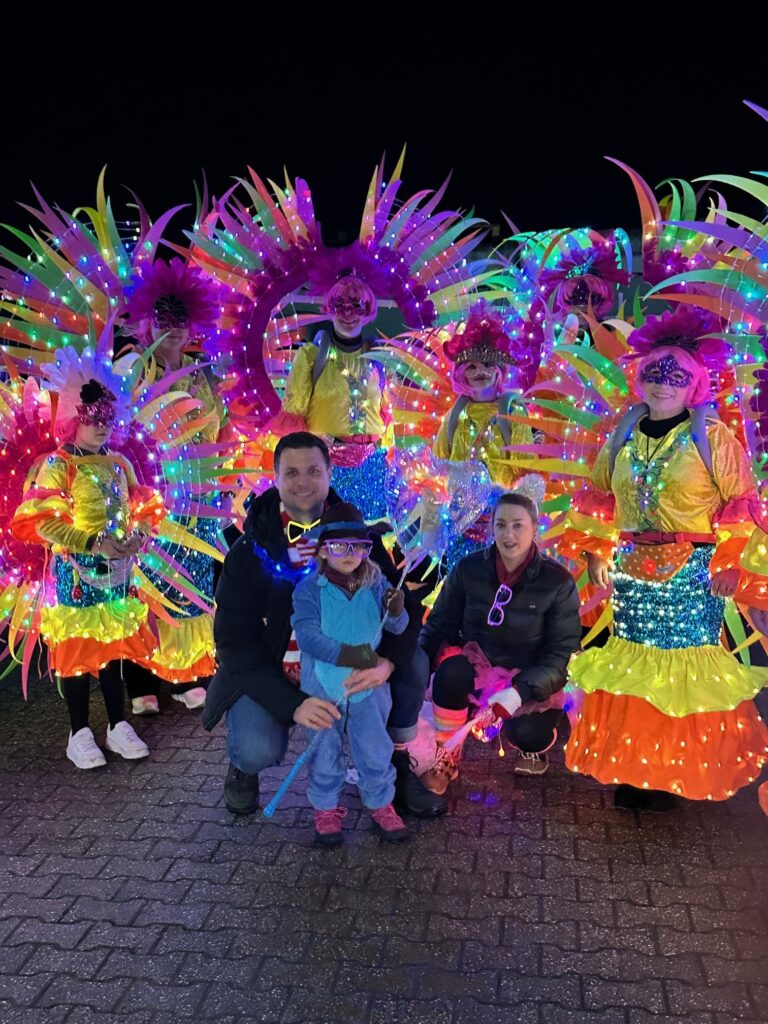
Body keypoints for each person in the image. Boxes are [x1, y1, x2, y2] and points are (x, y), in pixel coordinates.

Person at [202, 431, 446, 819]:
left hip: (348, 662)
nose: (303, 482)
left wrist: (387, 665)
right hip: (277, 671)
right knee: (255, 747)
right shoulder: (250, 551)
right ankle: (244, 767)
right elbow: (233, 643)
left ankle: (395, 765)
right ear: (276, 476)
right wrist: (294, 704)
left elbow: (402, 608)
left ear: (330, 474)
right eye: (292, 472)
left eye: (314, 470)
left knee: (412, 663)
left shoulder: (355, 534)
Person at [418, 492, 581, 793]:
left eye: (518, 525)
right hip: (480, 666)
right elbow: (440, 623)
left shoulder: (558, 582)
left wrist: (518, 693)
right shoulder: (469, 569)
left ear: (535, 528)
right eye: (501, 525)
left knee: (528, 732)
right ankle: (448, 755)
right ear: (491, 528)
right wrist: (414, 668)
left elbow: (563, 655)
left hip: (529, 679)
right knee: (450, 672)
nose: (509, 534)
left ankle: (536, 744)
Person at [291, 502, 411, 844]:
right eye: (339, 546)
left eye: (359, 546)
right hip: (324, 687)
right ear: (323, 550)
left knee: (374, 743)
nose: (350, 554)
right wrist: (351, 653)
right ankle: (326, 806)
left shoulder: (376, 584)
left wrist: (397, 609)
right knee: (323, 746)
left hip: (368, 688)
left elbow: (397, 627)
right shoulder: (309, 590)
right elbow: (308, 637)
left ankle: (380, 801)